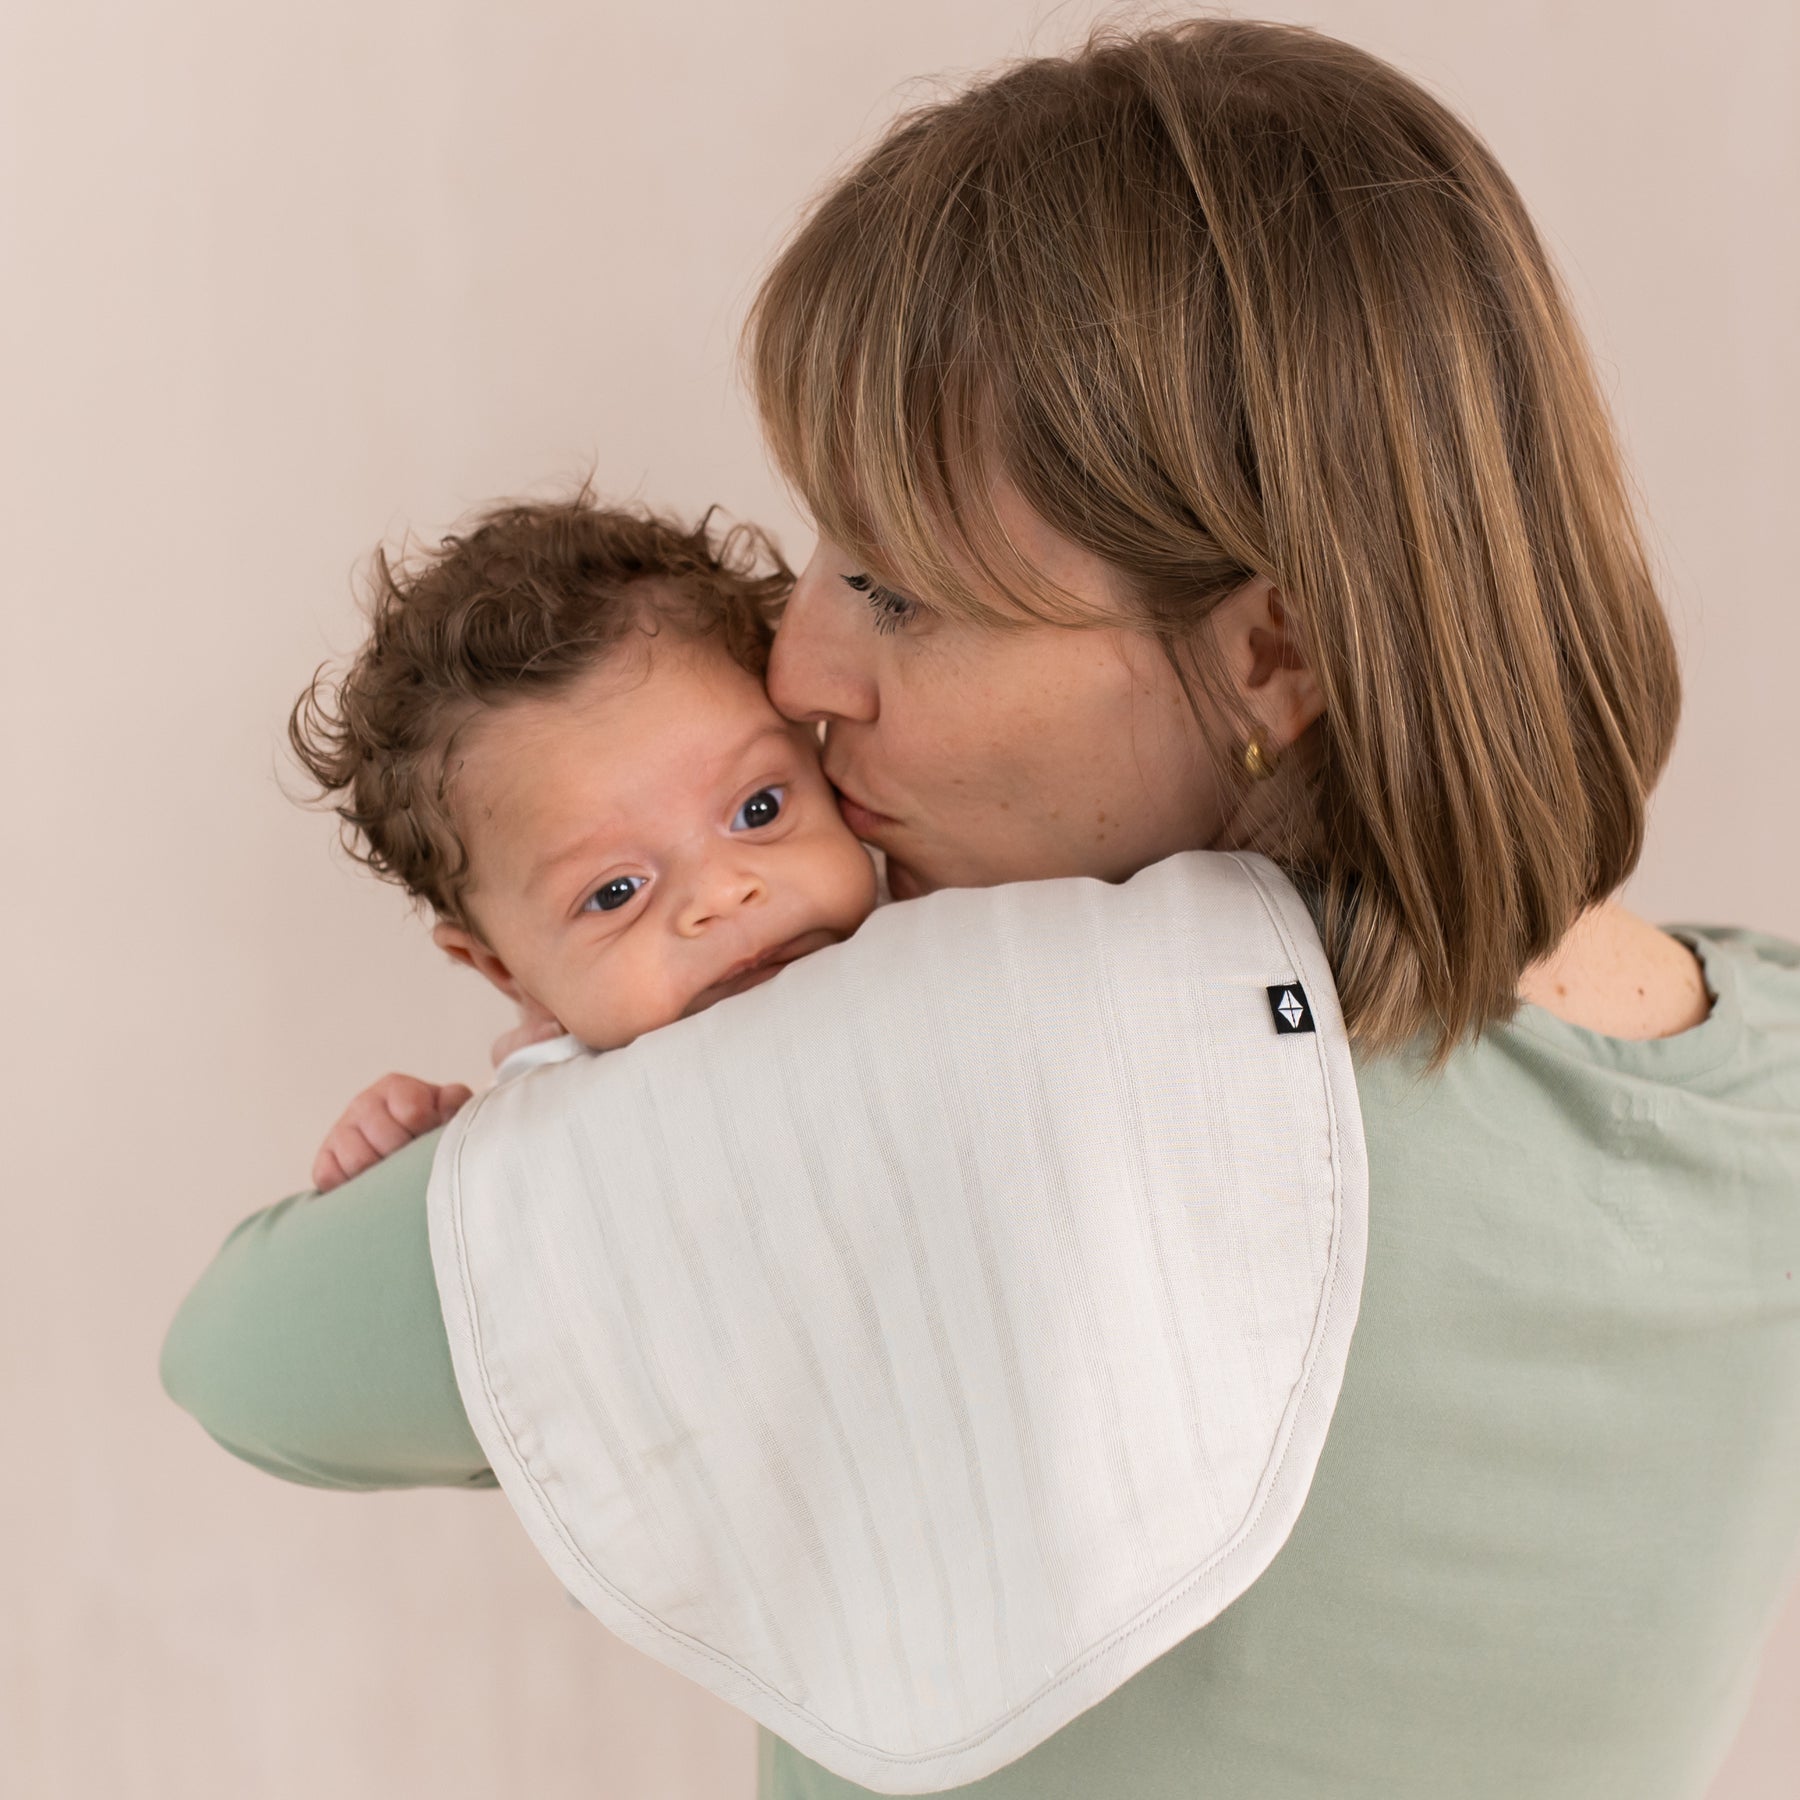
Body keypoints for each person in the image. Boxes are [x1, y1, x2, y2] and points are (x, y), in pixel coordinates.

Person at [161, 18, 1800, 1798]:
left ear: (1274, 655)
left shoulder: (979, 1054)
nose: (800, 666)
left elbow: (252, 1363)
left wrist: (584, 1100)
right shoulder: (1769, 1075)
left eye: (900, 590)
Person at [287, 493, 877, 1193]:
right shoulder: (550, 1086)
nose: (722, 892)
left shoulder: (938, 907)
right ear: (505, 971)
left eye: (758, 809)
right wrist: (429, 1140)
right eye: (616, 893)